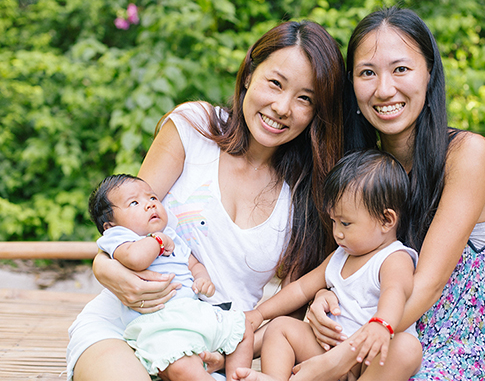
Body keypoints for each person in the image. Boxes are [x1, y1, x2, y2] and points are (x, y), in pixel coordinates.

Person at [66, 20, 346, 381]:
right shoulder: (193, 127)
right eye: (275, 83)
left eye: (305, 98)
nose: (282, 107)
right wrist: (102, 267)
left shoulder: (307, 195)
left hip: (211, 353)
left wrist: (230, 349)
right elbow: (126, 221)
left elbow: (285, 314)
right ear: (248, 74)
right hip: (123, 328)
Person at [295, 7, 485, 381]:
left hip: (441, 350)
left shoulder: (468, 155)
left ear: (429, 72)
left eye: (401, 69)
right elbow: (348, 259)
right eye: (367, 73)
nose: (384, 89)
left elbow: (429, 282)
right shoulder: (360, 170)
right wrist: (325, 297)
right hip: (362, 337)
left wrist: (340, 359)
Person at [233, 149, 422, 381]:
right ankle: (276, 378)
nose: (337, 233)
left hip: (371, 356)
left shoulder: (394, 257)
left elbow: (396, 291)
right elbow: (301, 288)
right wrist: (260, 313)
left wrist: (382, 324)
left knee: (407, 348)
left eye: (345, 223)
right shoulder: (340, 256)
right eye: (333, 221)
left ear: (386, 220)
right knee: (280, 327)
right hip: (327, 352)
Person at [87, 174, 252, 381]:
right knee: (181, 364)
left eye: (153, 198)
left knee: (242, 328)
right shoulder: (120, 238)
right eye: (135, 202)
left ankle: (237, 376)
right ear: (110, 226)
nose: (150, 205)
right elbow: (136, 259)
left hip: (193, 312)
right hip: (160, 324)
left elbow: (193, 264)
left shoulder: (172, 236)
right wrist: (158, 240)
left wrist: (202, 279)